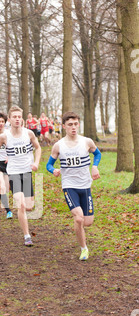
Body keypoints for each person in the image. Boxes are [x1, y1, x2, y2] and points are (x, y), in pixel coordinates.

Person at [46, 111, 101, 260]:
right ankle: (84, 248)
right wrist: (54, 170)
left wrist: (94, 166)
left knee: (87, 222)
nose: (73, 127)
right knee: (78, 218)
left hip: (85, 185)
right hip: (69, 186)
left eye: (76, 124)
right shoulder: (58, 146)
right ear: (64, 126)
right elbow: (48, 165)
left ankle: (80, 231)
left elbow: (98, 154)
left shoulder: (87, 142)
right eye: (70, 125)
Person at [0, 105, 41, 246]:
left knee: (29, 206)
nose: (17, 119)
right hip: (13, 172)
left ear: (22, 119)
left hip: (27, 172)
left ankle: (23, 215)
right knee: (22, 205)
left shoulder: (29, 134)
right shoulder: (4, 137)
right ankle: (27, 236)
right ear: (9, 120)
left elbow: (38, 148)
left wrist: (36, 162)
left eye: (19, 117)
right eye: (14, 117)